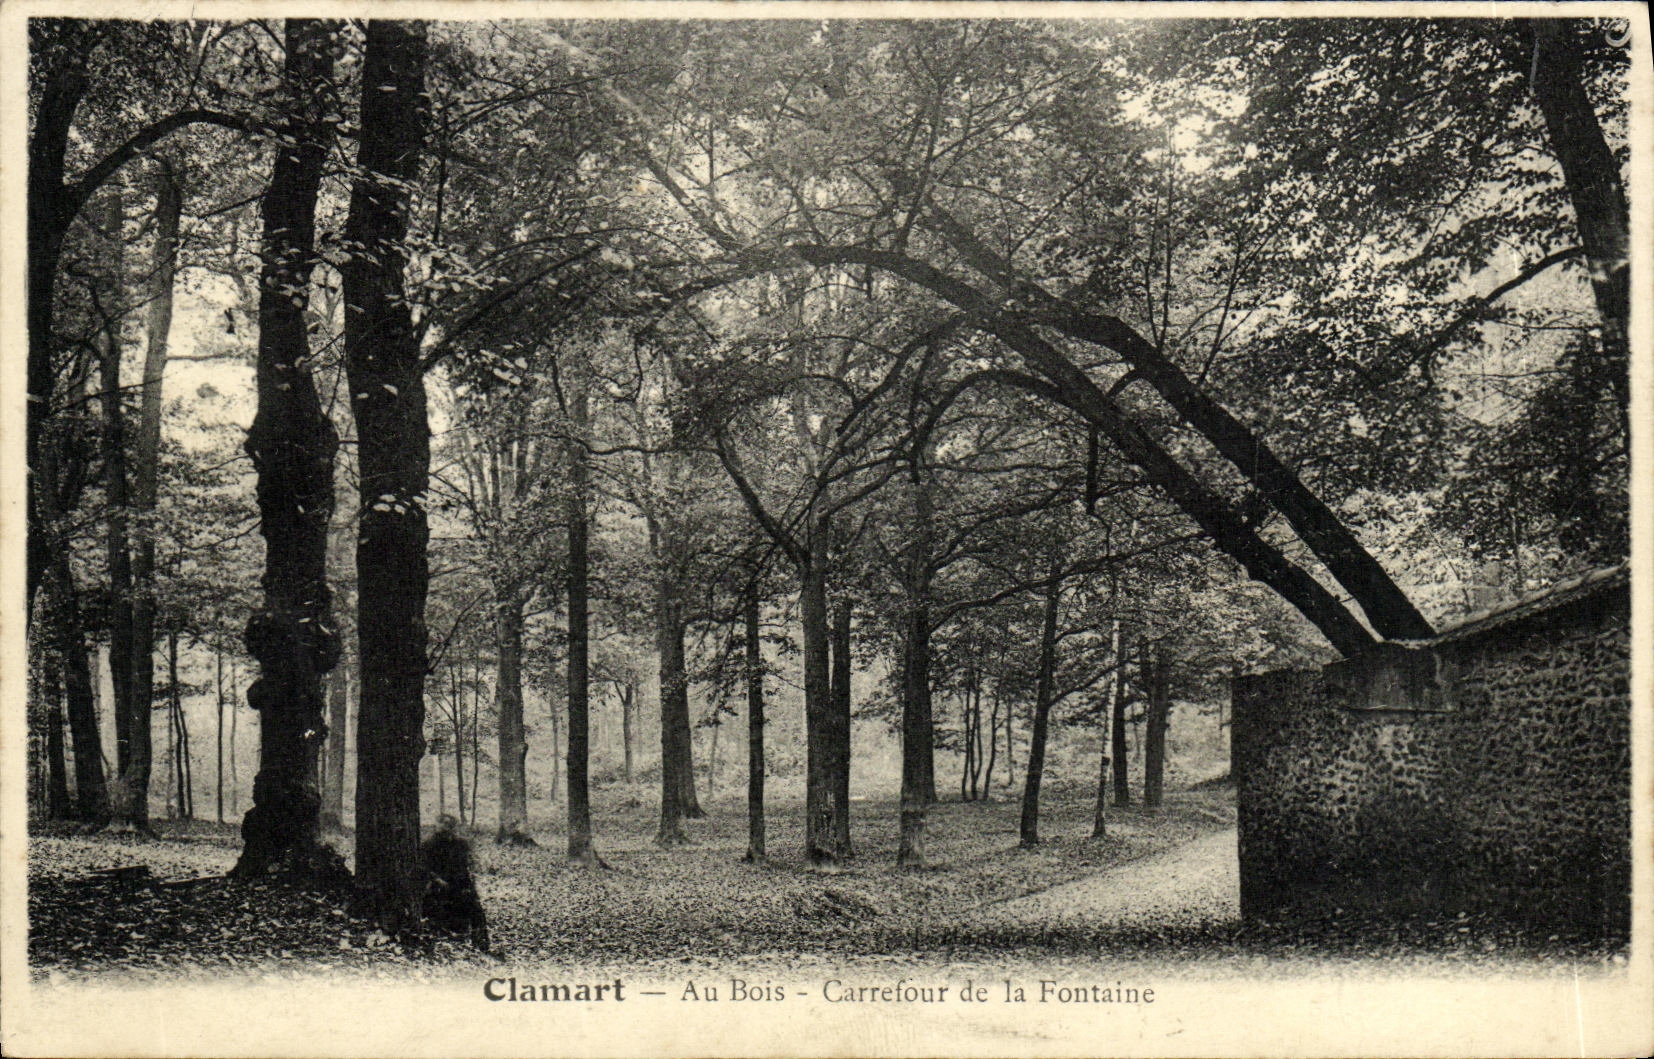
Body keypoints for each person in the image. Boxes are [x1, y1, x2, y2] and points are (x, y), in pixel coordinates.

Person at [420, 814, 490, 951]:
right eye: (443, 825)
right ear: (437, 827)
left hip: (459, 884)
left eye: (449, 826)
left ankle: (481, 943)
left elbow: (467, 866)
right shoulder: (428, 845)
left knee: (476, 909)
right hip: (437, 886)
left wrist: (469, 885)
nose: (446, 829)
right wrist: (438, 880)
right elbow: (424, 868)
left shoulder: (461, 844)